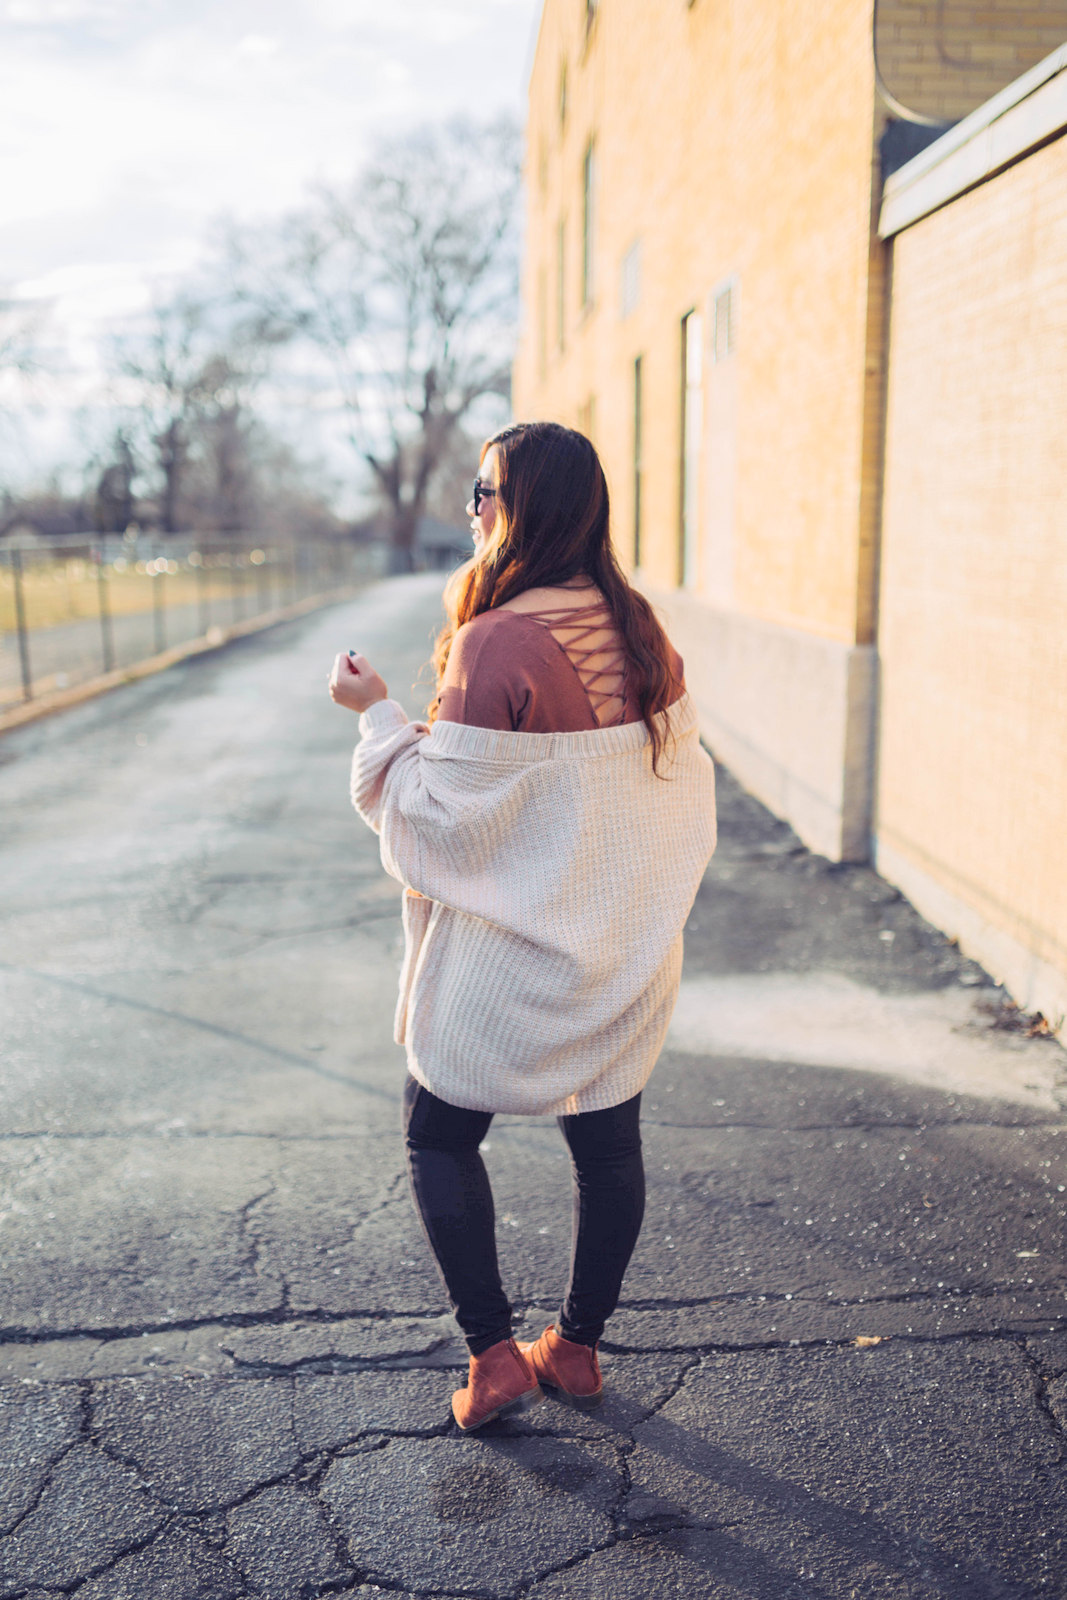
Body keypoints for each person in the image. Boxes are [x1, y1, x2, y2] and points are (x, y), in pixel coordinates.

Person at [328, 421, 716, 1430]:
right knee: (607, 1139)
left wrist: (373, 715)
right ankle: (575, 1352)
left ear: (527, 506)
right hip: (621, 947)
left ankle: (494, 1357)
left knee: (437, 1134)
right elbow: (646, 791)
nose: (473, 508)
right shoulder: (641, 628)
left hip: (510, 965)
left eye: (485, 490)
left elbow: (439, 821)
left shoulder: (494, 639)